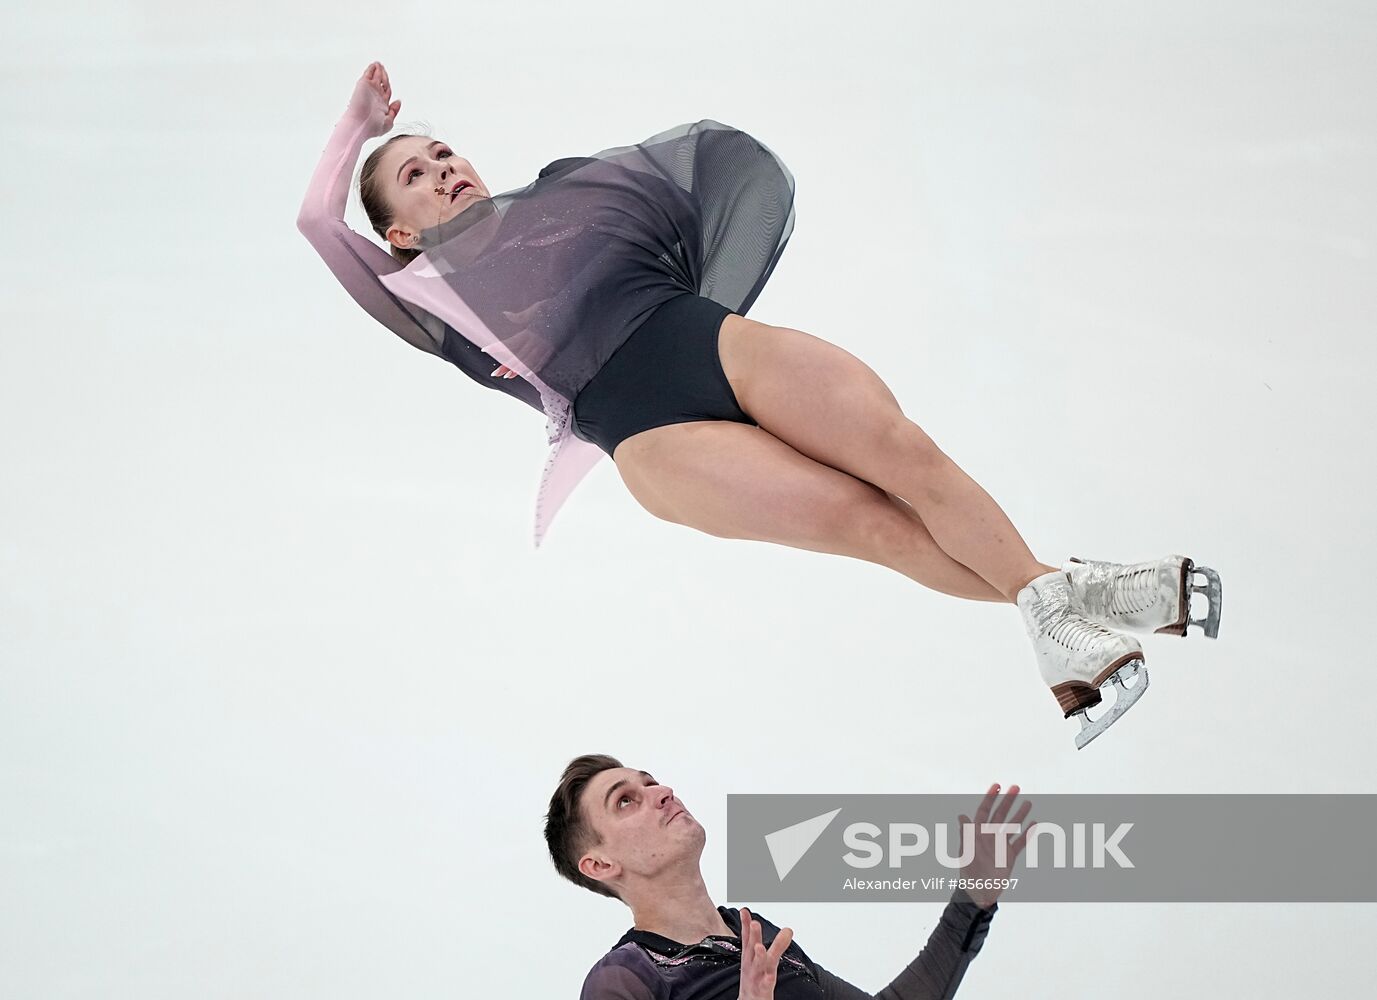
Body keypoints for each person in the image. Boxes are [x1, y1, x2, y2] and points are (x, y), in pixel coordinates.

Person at [295, 62, 1223, 745]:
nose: (442, 166)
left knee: (906, 457)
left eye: (441, 150)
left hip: (708, 341)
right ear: (400, 232)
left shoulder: (562, 191)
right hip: (651, 439)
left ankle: (1075, 601)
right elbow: (315, 223)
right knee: (871, 526)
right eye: (413, 175)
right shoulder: (426, 300)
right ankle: (1076, 597)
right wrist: (357, 124)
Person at [543, 754, 1033, 1000]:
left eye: (651, 782)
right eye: (625, 800)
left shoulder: (758, 937)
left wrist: (973, 896)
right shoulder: (625, 978)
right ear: (601, 865)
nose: (662, 791)